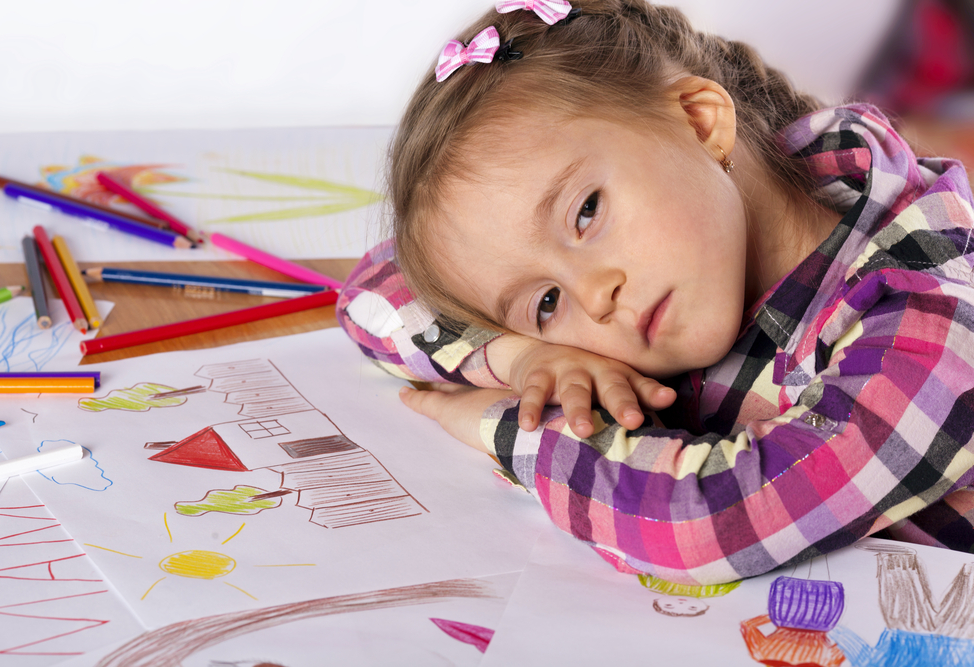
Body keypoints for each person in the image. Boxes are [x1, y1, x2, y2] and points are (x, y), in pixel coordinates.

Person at [336, 0, 974, 584]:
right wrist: (519, 356)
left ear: (699, 123)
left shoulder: (934, 311)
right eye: (547, 303)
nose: (594, 297)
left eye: (586, 213)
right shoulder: (702, 251)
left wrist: (505, 424)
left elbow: (709, 522)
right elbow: (372, 289)